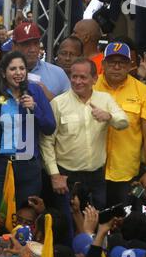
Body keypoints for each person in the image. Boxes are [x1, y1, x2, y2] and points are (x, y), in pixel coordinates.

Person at [0, 49, 56, 223]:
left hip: (27, 167)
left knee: (25, 219)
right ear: (3, 72)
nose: (18, 73)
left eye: (22, 68)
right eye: (13, 69)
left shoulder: (34, 91)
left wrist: (35, 108)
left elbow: (49, 127)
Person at [40, 58, 128, 211]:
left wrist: (109, 116)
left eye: (83, 77)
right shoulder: (58, 103)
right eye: (74, 76)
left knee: (96, 222)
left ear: (94, 79)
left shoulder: (105, 99)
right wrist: (54, 175)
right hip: (66, 177)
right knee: (67, 226)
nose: (77, 81)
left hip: (96, 178)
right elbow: (46, 141)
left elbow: (123, 122)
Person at [93, 42, 146, 207]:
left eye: (121, 62)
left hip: (126, 173)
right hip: (92, 169)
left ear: (130, 66)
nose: (116, 66)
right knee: (92, 219)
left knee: (123, 223)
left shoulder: (143, 91)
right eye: (111, 62)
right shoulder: (91, 86)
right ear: (103, 64)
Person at [11, 22, 70, 100]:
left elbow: (70, 109)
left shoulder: (58, 74)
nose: (32, 49)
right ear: (14, 47)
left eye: (36, 43)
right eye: (26, 44)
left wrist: (51, 100)